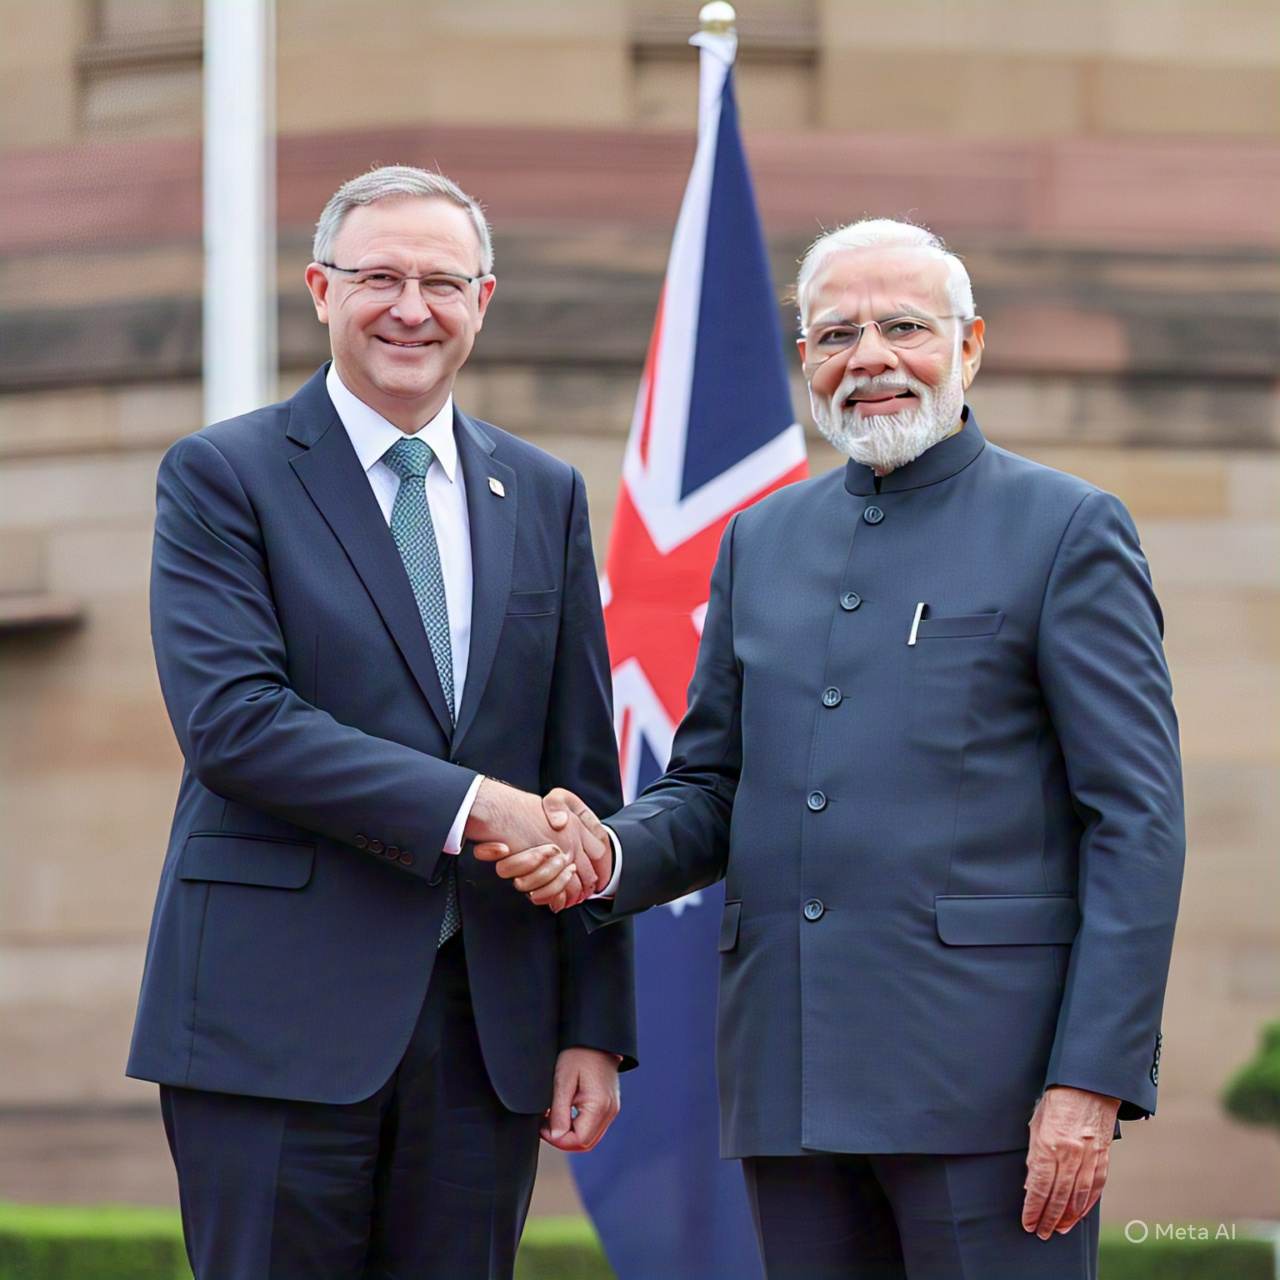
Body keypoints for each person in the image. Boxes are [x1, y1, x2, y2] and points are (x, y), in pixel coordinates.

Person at [485, 220, 1185, 1279]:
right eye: (835, 335)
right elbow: (712, 785)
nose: (869, 358)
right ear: (805, 359)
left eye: (904, 327)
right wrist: (608, 853)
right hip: (790, 1079)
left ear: (969, 344)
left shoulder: (1066, 529)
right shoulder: (760, 540)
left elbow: (1136, 822)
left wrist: (1090, 1078)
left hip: (989, 1088)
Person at [127, 165, 635, 1280]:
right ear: (321, 290)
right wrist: (475, 804)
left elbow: (578, 776)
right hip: (273, 1023)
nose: (413, 308)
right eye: (379, 278)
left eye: (442, 282)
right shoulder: (223, 475)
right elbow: (236, 722)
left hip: (485, 1033)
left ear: (482, 302)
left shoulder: (543, 491)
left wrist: (592, 1022)